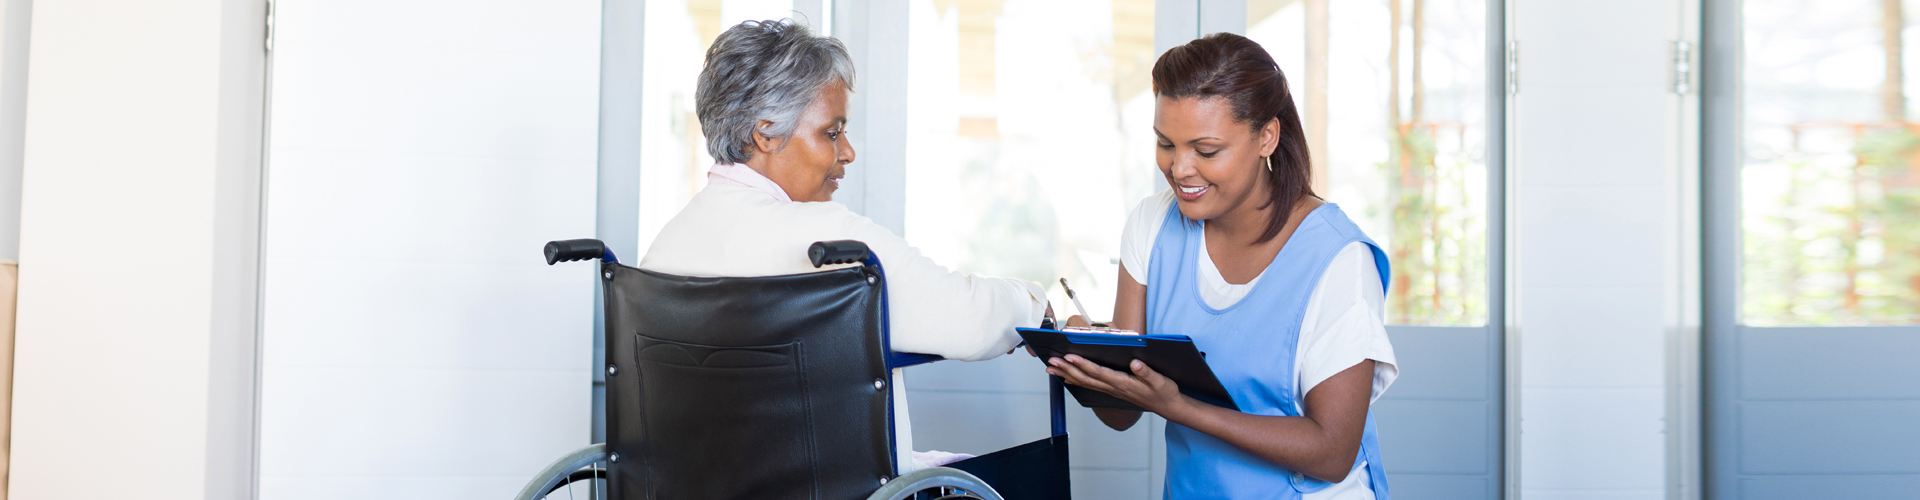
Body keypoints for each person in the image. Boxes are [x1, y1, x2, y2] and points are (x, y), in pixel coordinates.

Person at [637, 19, 1054, 472]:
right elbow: (971, 321)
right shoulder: (831, 244)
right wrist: (1032, 302)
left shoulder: (663, 249)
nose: (848, 151)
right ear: (765, 134)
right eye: (831, 133)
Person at [1041, 33, 1397, 499]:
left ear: (1267, 136)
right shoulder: (1152, 225)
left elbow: (1332, 453)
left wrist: (1179, 407)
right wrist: (1077, 359)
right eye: (1165, 143)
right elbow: (1123, 413)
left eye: (1206, 150)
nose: (1180, 168)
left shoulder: (1336, 259)